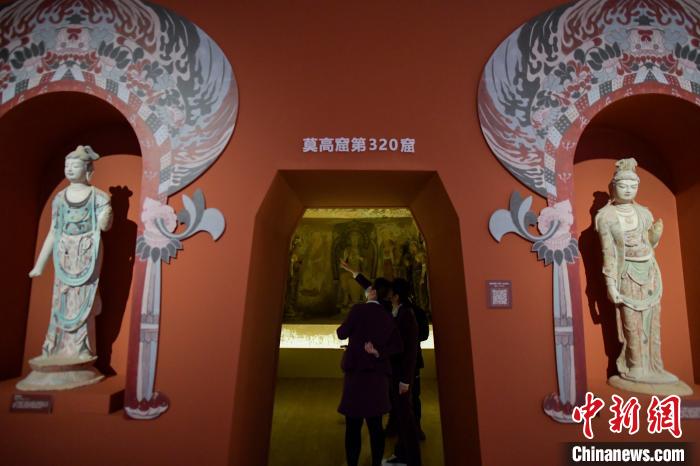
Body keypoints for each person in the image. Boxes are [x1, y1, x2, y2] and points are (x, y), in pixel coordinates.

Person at [337, 278, 402, 466]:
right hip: (377, 376)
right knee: (376, 427)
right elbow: (398, 345)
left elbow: (341, 333)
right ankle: (376, 463)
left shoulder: (358, 310)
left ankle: (352, 463)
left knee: (353, 426)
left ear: (372, 292)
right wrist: (378, 352)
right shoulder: (387, 316)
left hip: (356, 375)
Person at [383, 278, 422, 466]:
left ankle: (412, 460)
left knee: (406, 418)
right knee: (401, 417)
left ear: (397, 295)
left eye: (391, 291)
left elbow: (410, 351)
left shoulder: (407, 315)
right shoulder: (397, 311)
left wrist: (405, 380)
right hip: (396, 373)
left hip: (402, 376)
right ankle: (401, 454)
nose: (388, 294)